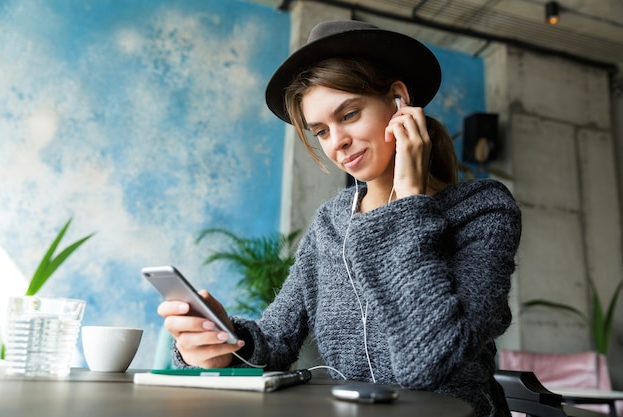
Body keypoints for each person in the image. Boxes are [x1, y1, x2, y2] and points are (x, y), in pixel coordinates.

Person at [158, 20, 521, 417]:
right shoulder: (331, 223)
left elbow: (428, 364)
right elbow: (276, 342)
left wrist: (408, 203)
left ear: (399, 100)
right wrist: (221, 346)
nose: (337, 143)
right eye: (321, 131)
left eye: (348, 114)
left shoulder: (484, 210)